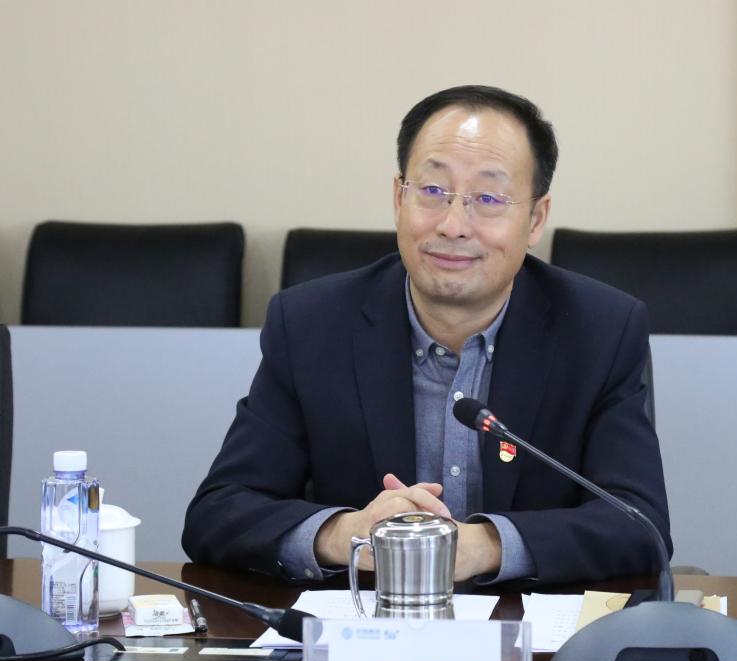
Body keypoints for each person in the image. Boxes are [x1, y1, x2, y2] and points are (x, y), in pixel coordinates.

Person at [183, 85, 671, 587]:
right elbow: (219, 513)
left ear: (535, 219)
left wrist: (483, 545)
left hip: (529, 630)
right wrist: (345, 534)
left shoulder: (600, 331)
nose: (453, 225)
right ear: (399, 198)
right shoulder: (311, 324)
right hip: (365, 624)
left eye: (488, 198)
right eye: (433, 191)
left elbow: (640, 526)